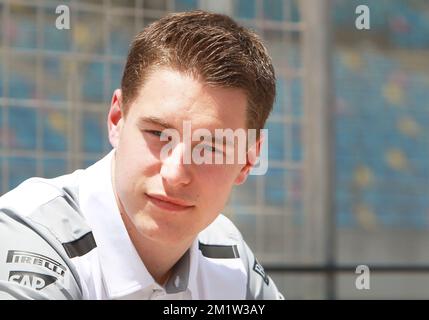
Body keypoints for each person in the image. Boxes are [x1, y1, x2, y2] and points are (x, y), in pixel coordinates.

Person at [0, 10, 284, 300]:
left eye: (210, 147)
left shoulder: (229, 256)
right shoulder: (29, 234)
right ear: (116, 120)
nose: (175, 173)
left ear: (248, 158)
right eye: (158, 135)